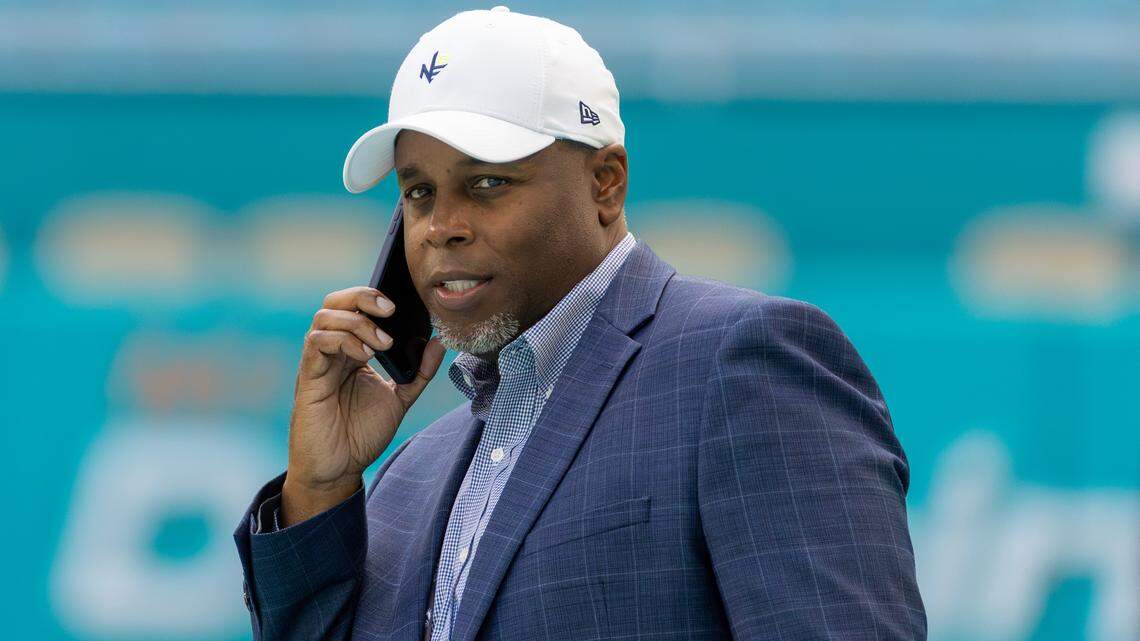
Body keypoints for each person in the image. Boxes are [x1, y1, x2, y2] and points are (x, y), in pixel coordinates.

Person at [232, 6, 927, 640]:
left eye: (486, 184)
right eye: (418, 192)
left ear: (606, 184)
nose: (441, 227)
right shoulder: (411, 471)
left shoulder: (744, 362)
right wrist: (320, 490)